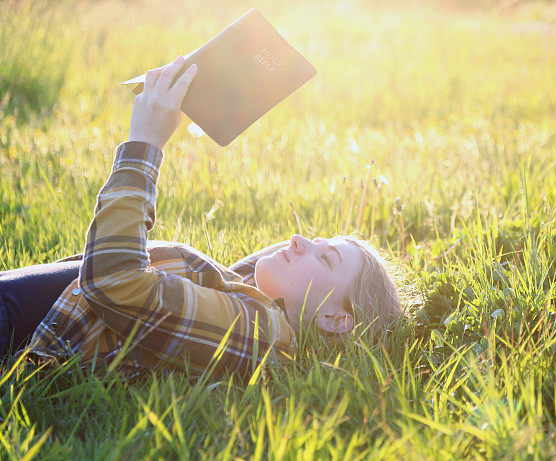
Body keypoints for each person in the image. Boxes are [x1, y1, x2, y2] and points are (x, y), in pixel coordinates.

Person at [0, 55, 405, 374]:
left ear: (336, 320)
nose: (299, 241)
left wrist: (145, 142)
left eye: (325, 257)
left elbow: (114, 281)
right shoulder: (249, 302)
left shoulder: (263, 334)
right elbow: (250, 272)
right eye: (316, 241)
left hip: (18, 333)